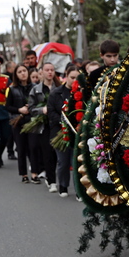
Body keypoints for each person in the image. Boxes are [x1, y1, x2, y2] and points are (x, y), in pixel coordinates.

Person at [27, 61, 60, 190]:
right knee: (47, 153)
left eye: (52, 70)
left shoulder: (59, 88)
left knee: (58, 154)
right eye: (47, 70)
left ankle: (60, 180)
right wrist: (42, 110)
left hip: (57, 124)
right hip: (43, 125)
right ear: (42, 72)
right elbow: (31, 108)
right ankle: (51, 181)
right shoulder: (36, 90)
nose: (50, 72)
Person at [48, 63, 77, 197]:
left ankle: (79, 191)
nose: (74, 81)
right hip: (60, 132)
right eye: (72, 77)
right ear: (66, 77)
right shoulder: (56, 93)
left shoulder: (81, 93)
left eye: (77, 78)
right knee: (63, 162)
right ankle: (63, 186)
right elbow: (51, 111)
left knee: (76, 162)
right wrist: (63, 121)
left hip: (76, 132)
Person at [6, 63, 34, 183]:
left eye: (24, 71)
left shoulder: (35, 87)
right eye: (19, 72)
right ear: (16, 75)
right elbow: (8, 106)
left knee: (33, 148)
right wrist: (19, 110)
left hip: (32, 121)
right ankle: (23, 174)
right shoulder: (12, 89)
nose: (23, 73)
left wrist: (31, 107)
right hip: (18, 121)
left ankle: (35, 172)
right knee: (21, 148)